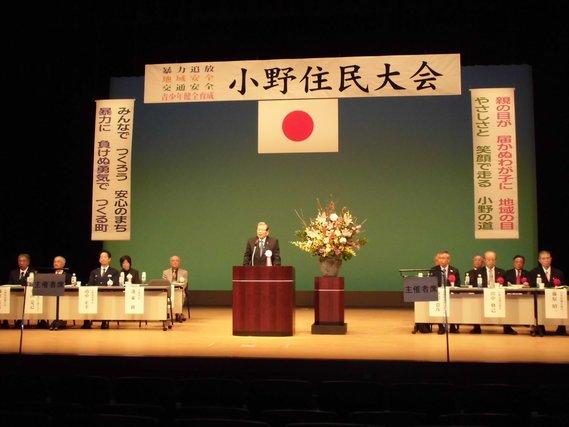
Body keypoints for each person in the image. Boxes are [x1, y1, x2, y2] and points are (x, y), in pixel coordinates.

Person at [529, 250, 567, 336]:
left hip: (555, 298)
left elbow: (563, 286)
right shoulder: (534, 272)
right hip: (540, 298)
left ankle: (561, 327)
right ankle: (540, 327)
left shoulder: (559, 272)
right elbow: (532, 286)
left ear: (551, 259)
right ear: (539, 260)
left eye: (547, 258)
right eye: (543, 258)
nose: (546, 260)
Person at [470, 250, 508, 334]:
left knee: (507, 303)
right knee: (476, 302)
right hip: (482, 295)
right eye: (488, 259)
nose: (491, 261)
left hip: (497, 296)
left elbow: (505, 286)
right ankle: (476, 326)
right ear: (485, 260)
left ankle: (507, 327)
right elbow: (474, 285)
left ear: (495, 261)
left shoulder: (502, 272)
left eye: (493, 259)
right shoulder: (478, 272)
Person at [85, 250, 119, 329]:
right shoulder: (94, 272)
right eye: (101, 257)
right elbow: (90, 283)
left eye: (105, 257)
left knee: (106, 301)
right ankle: (87, 321)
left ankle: (105, 321)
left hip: (108, 295)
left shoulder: (114, 271)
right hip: (95, 295)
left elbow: (116, 284)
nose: (103, 258)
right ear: (99, 260)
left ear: (109, 259)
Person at [430, 251, 461, 334]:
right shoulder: (433, 270)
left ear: (448, 260)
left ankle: (453, 327)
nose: (442, 260)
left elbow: (458, 284)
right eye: (440, 258)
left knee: (453, 308)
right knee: (439, 309)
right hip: (439, 296)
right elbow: (431, 284)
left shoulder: (454, 270)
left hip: (451, 295)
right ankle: (441, 327)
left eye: (444, 258)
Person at [6, 254, 39, 329]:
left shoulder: (33, 272)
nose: (21, 263)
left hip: (28, 296)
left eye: (24, 261)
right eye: (20, 261)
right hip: (15, 297)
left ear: (28, 262)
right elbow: (10, 285)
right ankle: (8, 320)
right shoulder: (13, 272)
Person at [163, 255, 189, 322]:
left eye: (177, 261)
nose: (175, 262)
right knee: (163, 295)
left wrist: (178, 288)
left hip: (179, 291)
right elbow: (165, 283)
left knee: (182, 295)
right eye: (173, 261)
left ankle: (178, 313)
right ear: (170, 262)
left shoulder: (184, 272)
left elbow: (184, 284)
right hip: (169, 290)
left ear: (179, 262)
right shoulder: (165, 272)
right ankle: (167, 313)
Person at [51, 255, 72, 330]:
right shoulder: (50, 276)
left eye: (58, 261)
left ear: (63, 264)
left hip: (64, 298)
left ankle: (61, 320)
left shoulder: (69, 276)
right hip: (52, 299)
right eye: (54, 262)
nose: (55, 263)